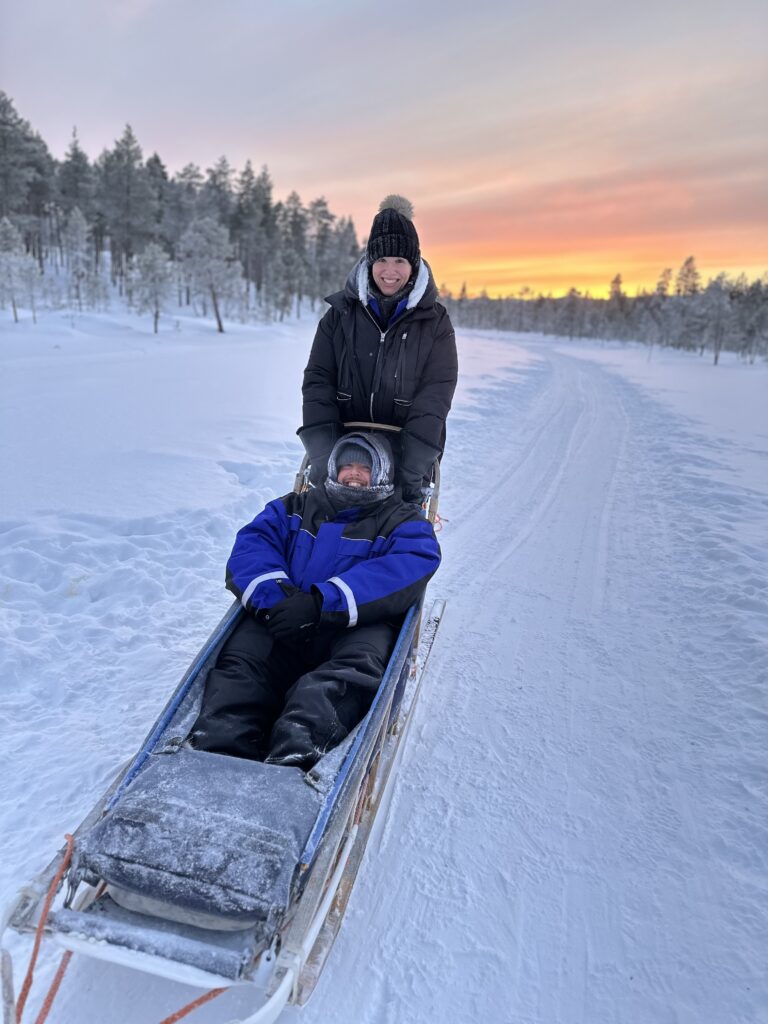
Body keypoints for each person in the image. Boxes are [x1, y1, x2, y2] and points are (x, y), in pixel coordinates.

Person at [190, 432, 441, 771]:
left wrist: (323, 603)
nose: (353, 473)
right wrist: (278, 600)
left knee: (344, 678)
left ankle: (294, 760)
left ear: (381, 473)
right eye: (346, 464)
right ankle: (217, 753)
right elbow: (252, 547)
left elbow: (409, 563)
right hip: (286, 615)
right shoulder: (293, 508)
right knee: (243, 660)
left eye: (364, 467)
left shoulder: (403, 522)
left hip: (354, 626)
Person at [299, 195, 458, 504]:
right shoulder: (339, 316)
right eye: (382, 260)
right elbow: (318, 383)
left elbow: (435, 399)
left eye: (400, 260)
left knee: (395, 536)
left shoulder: (435, 323)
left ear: (413, 265)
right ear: (369, 261)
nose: (390, 270)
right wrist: (323, 458)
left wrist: (413, 474)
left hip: (405, 457)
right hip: (342, 455)